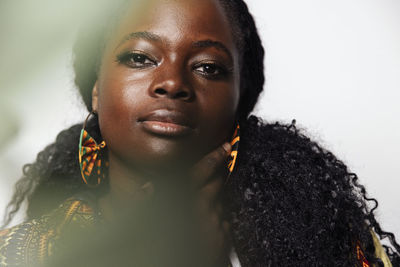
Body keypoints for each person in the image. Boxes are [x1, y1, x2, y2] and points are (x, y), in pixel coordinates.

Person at [1, 0, 399, 266]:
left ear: (239, 102)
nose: (172, 82)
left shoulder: (330, 248)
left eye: (208, 67)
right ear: (97, 91)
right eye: (140, 58)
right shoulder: (17, 253)